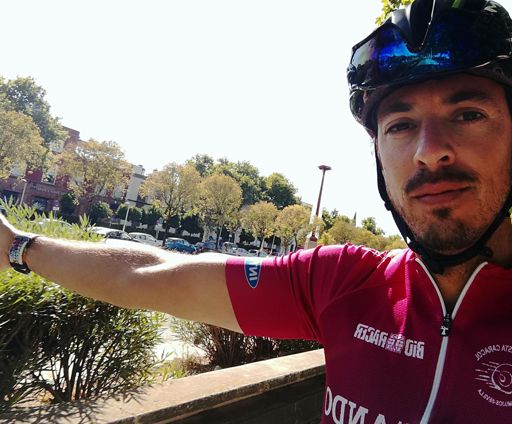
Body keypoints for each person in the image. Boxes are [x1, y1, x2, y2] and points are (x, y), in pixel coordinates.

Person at [2, 0, 512, 421]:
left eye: (469, 114)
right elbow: (148, 273)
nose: (429, 151)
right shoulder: (340, 283)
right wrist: (17, 247)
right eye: (400, 125)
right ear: (378, 154)